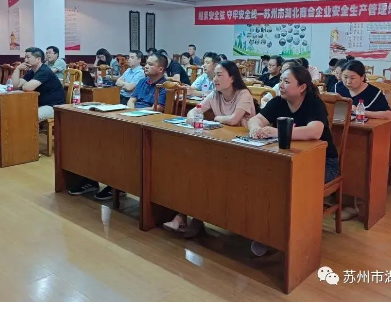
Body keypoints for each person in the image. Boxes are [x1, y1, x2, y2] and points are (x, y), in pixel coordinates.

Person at [247, 65, 339, 256]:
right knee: (261, 179)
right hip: (287, 160)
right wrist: (255, 128)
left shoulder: (314, 103)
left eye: (286, 82)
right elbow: (256, 119)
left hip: (322, 163)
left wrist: (277, 131)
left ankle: (289, 237)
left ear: (302, 87)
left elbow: (314, 131)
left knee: (289, 186)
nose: (281, 85)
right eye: (281, 80)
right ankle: (265, 229)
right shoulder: (279, 101)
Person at [164, 61, 257, 237]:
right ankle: (185, 215)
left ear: (232, 78)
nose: (215, 79)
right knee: (193, 169)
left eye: (219, 75)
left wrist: (216, 118)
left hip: (241, 149)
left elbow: (233, 120)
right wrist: (192, 116)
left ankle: (195, 218)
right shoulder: (215, 94)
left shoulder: (243, 94)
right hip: (220, 144)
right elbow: (196, 110)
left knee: (206, 174)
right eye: (214, 75)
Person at [68, 53, 168, 200]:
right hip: (132, 116)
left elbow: (156, 109)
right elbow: (131, 100)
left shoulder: (165, 86)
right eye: (146, 63)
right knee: (96, 139)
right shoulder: (143, 81)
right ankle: (91, 178)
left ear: (160, 69)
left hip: (149, 123)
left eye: (151, 64)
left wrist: (134, 111)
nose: (146, 66)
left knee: (116, 147)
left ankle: (118, 185)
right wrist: (130, 111)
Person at [12, 47, 66, 121]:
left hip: (54, 106)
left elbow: (27, 88)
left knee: (30, 116)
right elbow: (16, 85)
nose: (25, 60)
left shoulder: (44, 71)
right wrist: (17, 69)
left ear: (38, 59)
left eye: (28, 57)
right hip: (40, 104)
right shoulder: (32, 71)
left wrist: (24, 85)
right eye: (25, 57)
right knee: (17, 111)